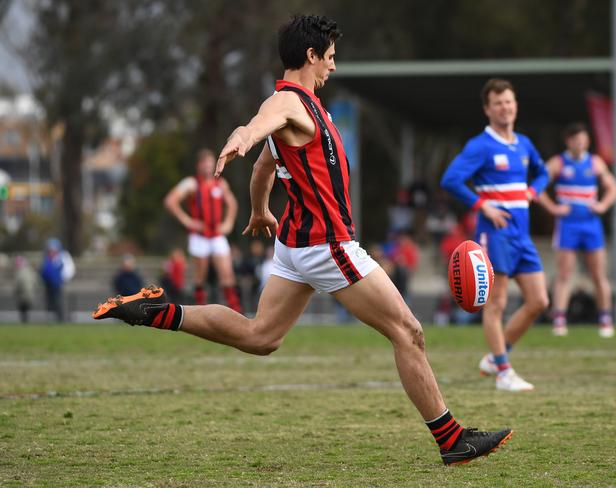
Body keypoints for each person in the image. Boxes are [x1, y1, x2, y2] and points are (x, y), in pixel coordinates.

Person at [94, 15, 511, 465]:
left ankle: (154, 311)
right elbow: (258, 128)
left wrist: (258, 210)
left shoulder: (309, 109)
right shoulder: (289, 103)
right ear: (310, 56)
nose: (333, 67)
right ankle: (452, 440)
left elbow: (263, 169)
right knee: (408, 331)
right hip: (325, 244)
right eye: (329, 58)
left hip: (295, 246)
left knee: (260, 335)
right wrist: (243, 137)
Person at [441, 78, 550, 392]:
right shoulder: (480, 145)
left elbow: (542, 174)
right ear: (488, 109)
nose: (505, 107)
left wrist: (533, 192)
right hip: (495, 234)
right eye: (499, 103)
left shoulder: (524, 144)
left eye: (509, 101)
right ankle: (504, 372)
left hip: (522, 236)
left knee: (539, 301)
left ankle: (495, 358)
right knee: (497, 304)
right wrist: (482, 206)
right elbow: (451, 179)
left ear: (516, 105)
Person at [537, 123, 616, 338]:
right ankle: (559, 319)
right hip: (568, 224)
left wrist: (602, 205)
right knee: (564, 273)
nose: (580, 143)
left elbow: (613, 187)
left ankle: (605, 318)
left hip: (591, 224)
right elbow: (537, 187)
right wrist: (553, 208)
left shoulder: (595, 163)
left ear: (588, 141)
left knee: (598, 273)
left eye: (583, 139)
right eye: (575, 139)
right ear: (568, 141)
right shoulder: (558, 163)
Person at [164, 149, 242, 312]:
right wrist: (187, 221)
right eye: (205, 163)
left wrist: (228, 223)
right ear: (199, 165)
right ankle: (202, 313)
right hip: (199, 236)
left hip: (216, 235)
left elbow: (232, 204)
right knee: (200, 277)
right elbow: (170, 201)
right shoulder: (191, 183)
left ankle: (236, 311)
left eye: (210, 163)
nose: (208, 166)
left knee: (227, 275)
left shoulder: (220, 183)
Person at [40, 238, 75, 322]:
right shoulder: (47, 258)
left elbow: (69, 270)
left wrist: (62, 279)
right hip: (48, 284)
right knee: (50, 303)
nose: (51, 251)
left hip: (58, 284)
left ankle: (61, 318)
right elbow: (44, 271)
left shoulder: (62, 257)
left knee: (59, 302)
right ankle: (52, 319)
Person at [14, 255, 38, 323]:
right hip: (31, 296)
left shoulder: (19, 273)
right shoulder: (31, 271)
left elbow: (17, 286)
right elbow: (36, 283)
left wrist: (16, 293)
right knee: (28, 312)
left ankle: (24, 323)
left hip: (22, 297)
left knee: (23, 313)